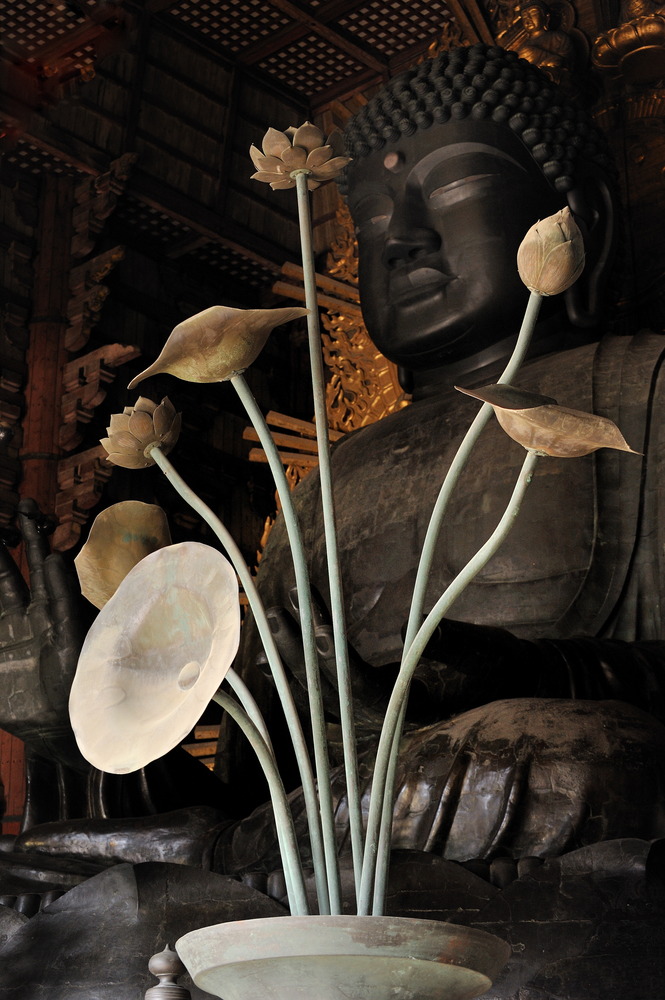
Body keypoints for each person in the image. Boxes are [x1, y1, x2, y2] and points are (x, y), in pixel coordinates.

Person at [3, 43, 665, 998]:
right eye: (373, 220)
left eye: (455, 189)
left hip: (515, 777)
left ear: (579, 219)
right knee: (48, 861)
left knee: (575, 761)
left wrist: (528, 669)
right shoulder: (327, 476)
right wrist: (85, 736)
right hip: (328, 818)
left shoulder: (644, 387)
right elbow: (256, 764)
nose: (402, 240)